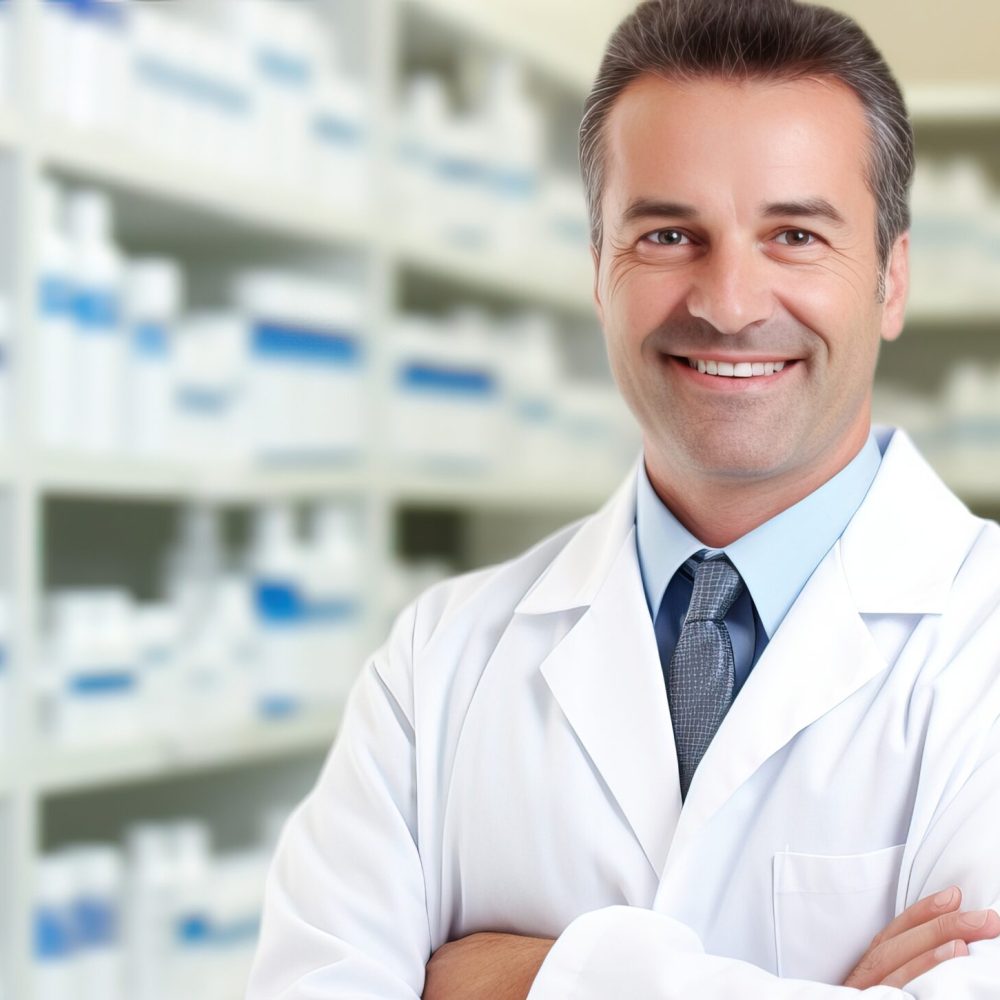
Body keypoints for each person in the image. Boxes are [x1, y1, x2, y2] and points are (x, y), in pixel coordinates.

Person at [246, 1, 1000, 997]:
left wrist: (533, 978)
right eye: (669, 234)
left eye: (793, 236)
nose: (729, 303)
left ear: (891, 278)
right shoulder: (437, 665)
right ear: (597, 271)